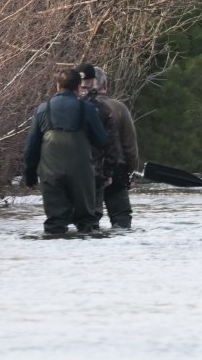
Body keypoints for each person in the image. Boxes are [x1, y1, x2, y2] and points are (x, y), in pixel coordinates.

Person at [22, 68, 113, 236]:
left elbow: (31, 148)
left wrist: (30, 177)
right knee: (87, 223)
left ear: (57, 87)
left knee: (55, 223)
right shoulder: (87, 109)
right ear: (78, 88)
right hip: (82, 174)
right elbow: (102, 140)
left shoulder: (42, 109)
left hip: (51, 173)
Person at [77, 63, 140, 230]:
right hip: (117, 169)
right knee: (121, 216)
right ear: (105, 85)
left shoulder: (76, 106)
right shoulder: (119, 108)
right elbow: (130, 147)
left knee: (89, 219)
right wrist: (132, 173)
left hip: (87, 171)